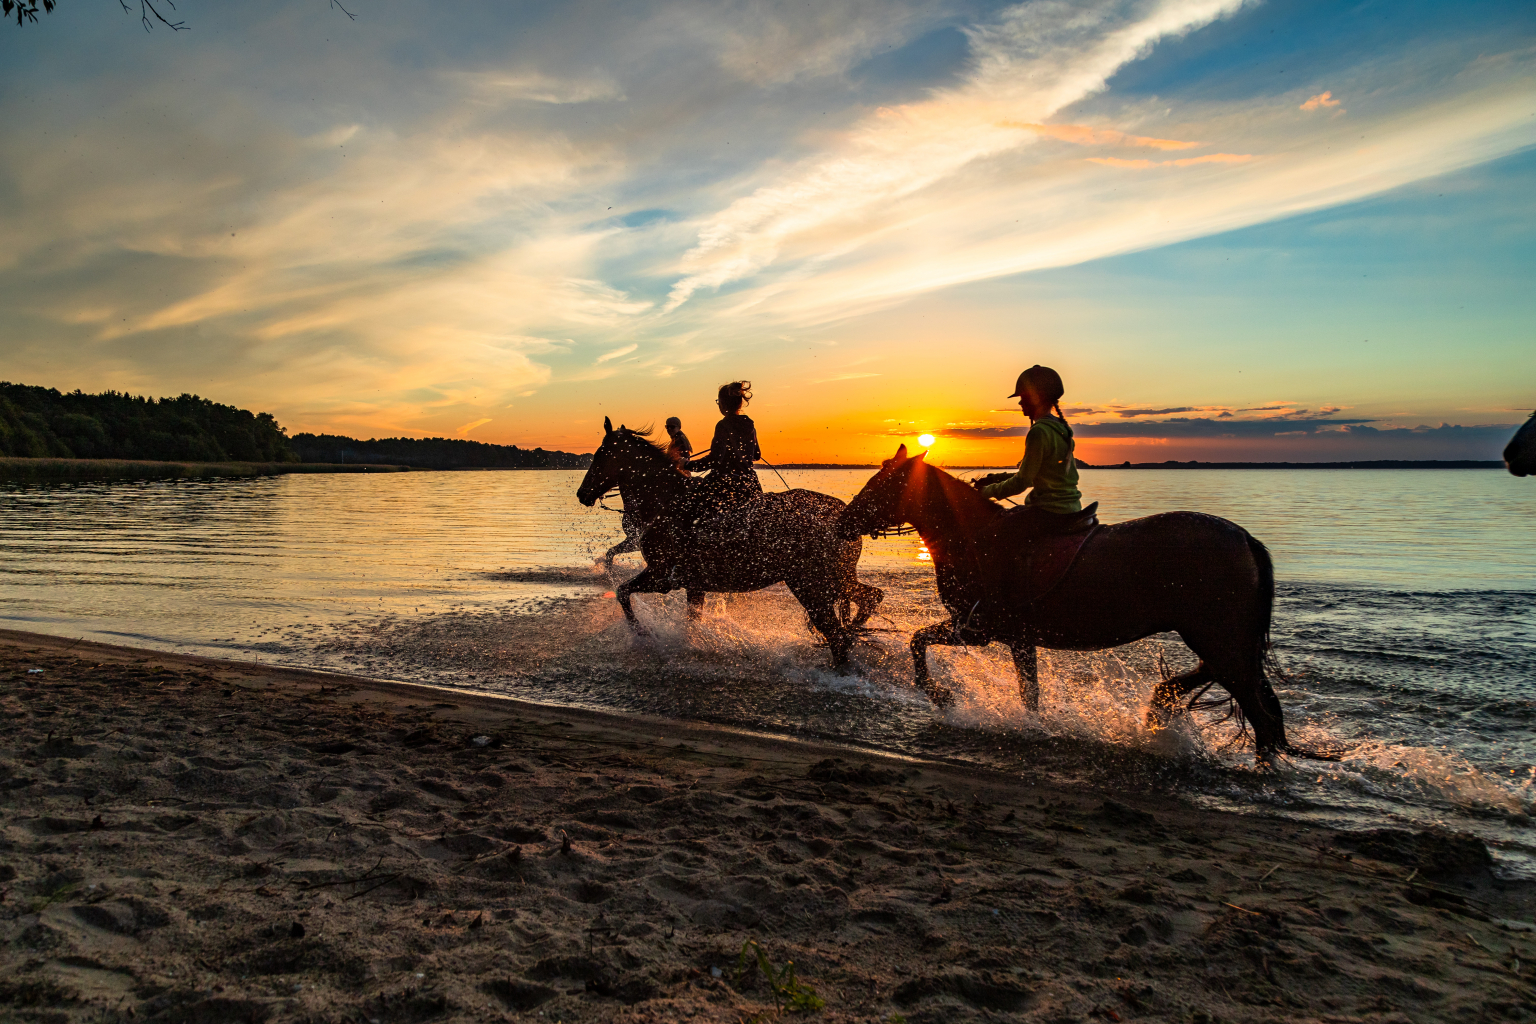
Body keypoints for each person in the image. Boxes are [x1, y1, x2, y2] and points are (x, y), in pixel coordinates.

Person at [974, 365, 1088, 533]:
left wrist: (985, 492)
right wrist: (994, 478)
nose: (1019, 402)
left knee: (990, 534)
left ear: (1037, 397)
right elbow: (1036, 474)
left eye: (1023, 397)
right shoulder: (1061, 428)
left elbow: (1022, 482)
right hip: (1071, 508)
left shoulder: (1039, 431)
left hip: (1049, 512)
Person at [687, 381, 763, 530]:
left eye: (718, 402)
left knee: (689, 504)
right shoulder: (750, 426)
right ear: (739, 404)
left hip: (724, 484)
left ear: (722, 404)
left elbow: (714, 460)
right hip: (749, 483)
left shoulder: (723, 425)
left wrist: (687, 464)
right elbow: (757, 455)